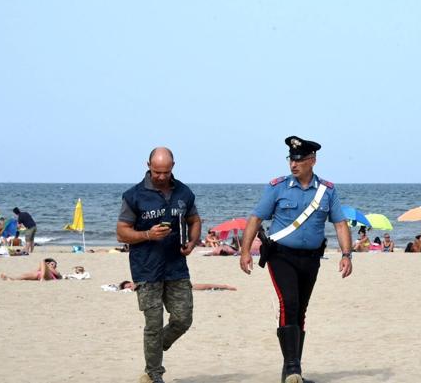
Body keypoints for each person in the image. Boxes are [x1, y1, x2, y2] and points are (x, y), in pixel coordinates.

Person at [239, 136, 353, 383]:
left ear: (312, 160)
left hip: (311, 259)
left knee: (300, 309)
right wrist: (245, 251)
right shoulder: (277, 187)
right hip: (281, 257)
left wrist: (346, 254)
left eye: (299, 160)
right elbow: (256, 219)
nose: (294, 164)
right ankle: (293, 368)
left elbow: (340, 224)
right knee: (288, 303)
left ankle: (291, 372)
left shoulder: (327, 191)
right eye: (291, 159)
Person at [116, 147, 201, 383]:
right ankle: (154, 374)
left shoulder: (184, 192)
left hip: (176, 266)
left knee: (183, 319)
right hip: (146, 268)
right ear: (148, 166)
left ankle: (156, 347)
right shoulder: (133, 195)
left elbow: (195, 220)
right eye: (156, 172)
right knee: (153, 324)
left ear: (173, 166)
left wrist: (192, 242)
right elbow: (121, 233)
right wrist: (147, 235)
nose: (161, 176)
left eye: (165, 172)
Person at [119, 280, 236, 292]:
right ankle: (223, 286)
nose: (130, 287)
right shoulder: (140, 288)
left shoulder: (140, 282)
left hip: (176, 285)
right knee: (204, 286)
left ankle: (224, 286)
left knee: (204, 286)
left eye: (128, 285)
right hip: (174, 288)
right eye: (127, 288)